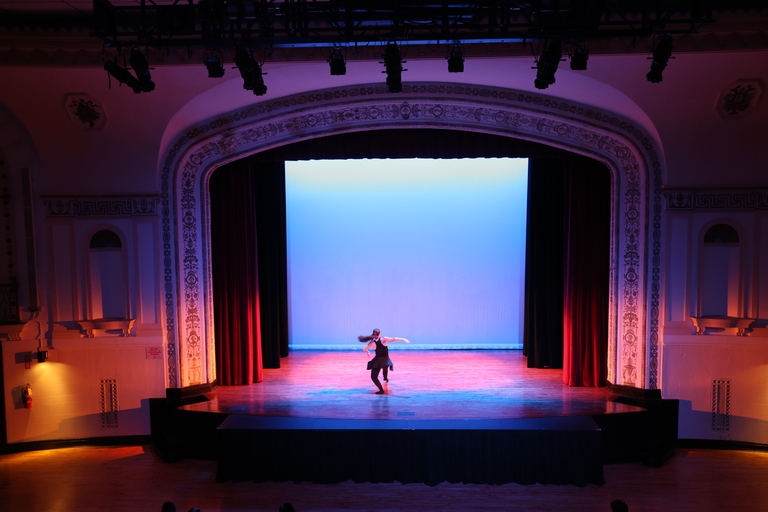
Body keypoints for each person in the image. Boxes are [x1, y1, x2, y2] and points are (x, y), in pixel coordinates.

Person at [358, 328, 409, 394]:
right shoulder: (383, 339)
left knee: (374, 377)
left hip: (378, 360)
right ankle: (385, 379)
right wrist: (403, 339)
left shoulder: (371, 343)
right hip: (385, 359)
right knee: (385, 366)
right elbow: (393, 339)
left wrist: (368, 352)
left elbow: (364, 349)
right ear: (380, 333)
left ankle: (382, 388)